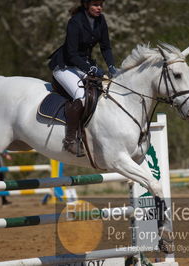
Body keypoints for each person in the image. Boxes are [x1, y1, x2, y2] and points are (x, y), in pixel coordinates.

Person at [48, 0, 117, 155]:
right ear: (86, 5)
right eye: (95, 5)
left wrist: (112, 66)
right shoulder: (75, 22)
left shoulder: (101, 20)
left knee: (102, 90)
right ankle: (70, 141)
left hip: (82, 66)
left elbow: (105, 47)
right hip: (65, 66)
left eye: (101, 4)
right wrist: (91, 69)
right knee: (81, 96)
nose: (99, 8)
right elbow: (72, 54)